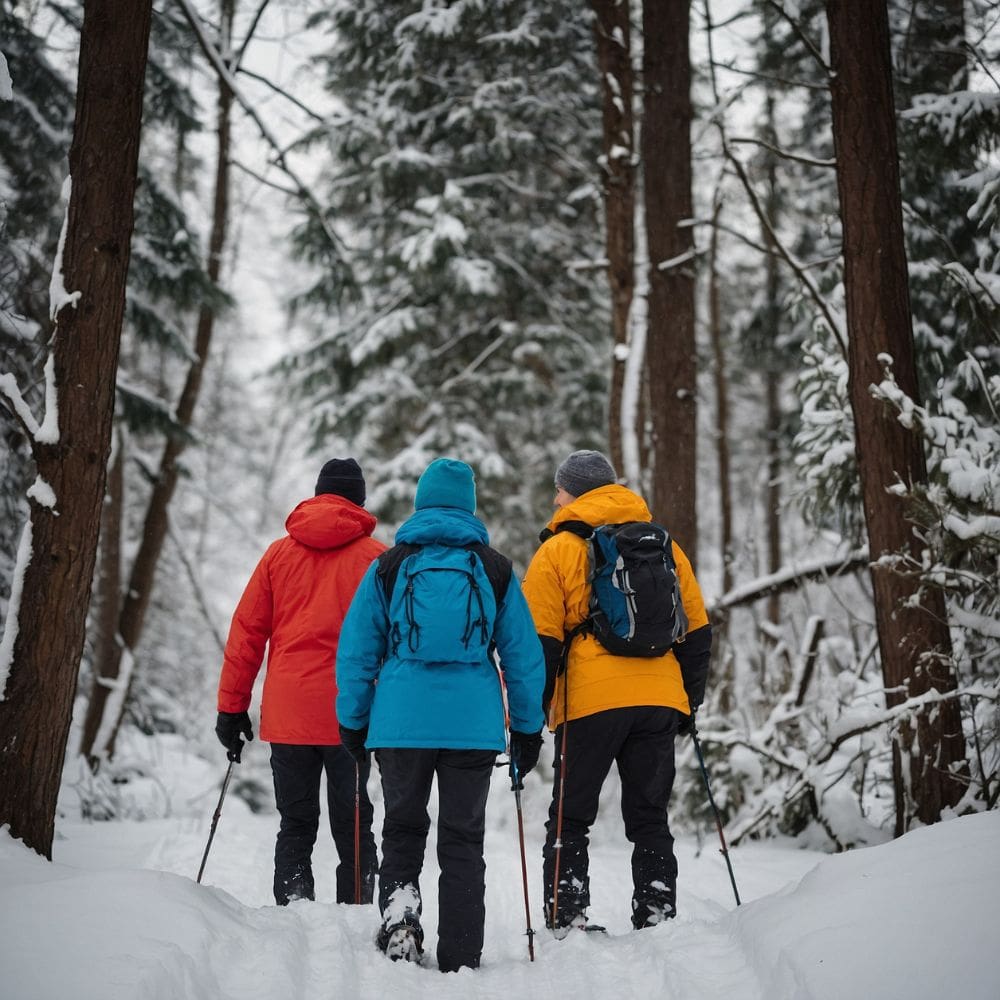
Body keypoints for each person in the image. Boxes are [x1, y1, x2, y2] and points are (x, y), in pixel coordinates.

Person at [335, 458, 545, 973]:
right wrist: (527, 729)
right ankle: (461, 951)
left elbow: (358, 650)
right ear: (469, 505)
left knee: (403, 829)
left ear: (421, 502)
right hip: (472, 729)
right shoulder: (493, 567)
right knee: (462, 837)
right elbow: (522, 656)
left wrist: (354, 721)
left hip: (401, 724)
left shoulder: (391, 564)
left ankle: (401, 925)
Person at [521, 449, 712, 935]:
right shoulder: (665, 546)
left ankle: (567, 915)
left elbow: (539, 642)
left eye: (560, 488)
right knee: (649, 815)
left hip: (592, 701)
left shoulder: (558, 550)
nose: (555, 496)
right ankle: (658, 913)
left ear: (574, 492)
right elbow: (697, 629)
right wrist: (688, 702)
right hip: (660, 696)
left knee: (571, 815)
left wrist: (531, 718)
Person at [215, 458, 384, 906]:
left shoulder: (278, 555)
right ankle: (357, 909)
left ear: (317, 494)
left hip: (289, 714)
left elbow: (247, 633)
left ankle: (293, 910)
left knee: (295, 822)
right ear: (360, 501)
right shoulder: (377, 559)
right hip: (352, 713)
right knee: (353, 823)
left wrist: (231, 707)